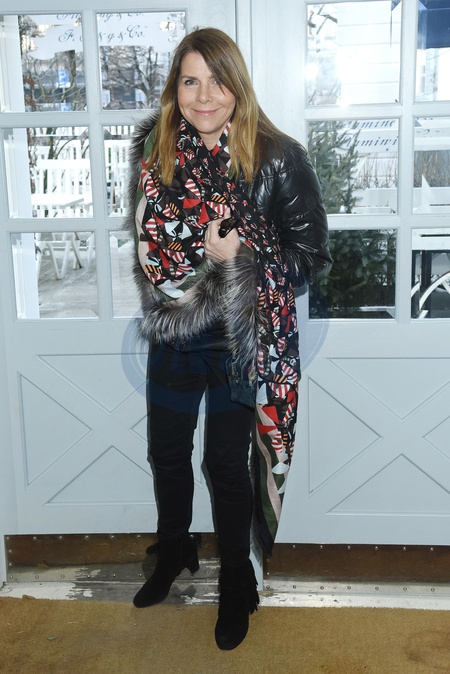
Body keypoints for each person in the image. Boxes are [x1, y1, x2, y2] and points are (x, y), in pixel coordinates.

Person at [126, 27, 331, 650]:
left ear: (237, 86)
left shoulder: (278, 156)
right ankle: (175, 549)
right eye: (190, 82)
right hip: (176, 327)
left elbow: (313, 257)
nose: (204, 96)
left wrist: (244, 258)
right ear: (176, 90)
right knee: (166, 452)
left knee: (224, 464)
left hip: (242, 337)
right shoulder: (156, 152)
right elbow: (148, 242)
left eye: (217, 81)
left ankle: (237, 581)